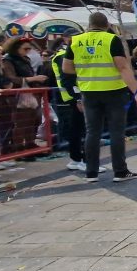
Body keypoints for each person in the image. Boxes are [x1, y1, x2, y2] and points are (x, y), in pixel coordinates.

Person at [62, 12, 137, 182]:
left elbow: (67, 68)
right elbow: (122, 68)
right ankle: (120, 171)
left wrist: (87, 69)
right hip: (114, 91)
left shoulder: (76, 41)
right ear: (107, 24)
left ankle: (91, 172)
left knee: (92, 132)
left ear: (89, 24)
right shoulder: (111, 39)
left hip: (89, 91)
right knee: (116, 131)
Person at [51, 37, 103, 173]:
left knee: (77, 130)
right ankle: (85, 161)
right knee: (86, 130)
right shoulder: (64, 55)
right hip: (75, 98)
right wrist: (78, 99)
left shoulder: (66, 53)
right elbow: (68, 79)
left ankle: (76, 160)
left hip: (74, 97)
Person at [0, 37, 47, 157]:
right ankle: (19, 148)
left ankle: (30, 144)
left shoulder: (25, 59)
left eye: (29, 49)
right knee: (21, 122)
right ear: (16, 48)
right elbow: (11, 78)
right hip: (17, 95)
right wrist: (33, 79)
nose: (28, 51)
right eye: (25, 48)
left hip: (30, 93)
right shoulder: (8, 60)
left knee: (33, 120)